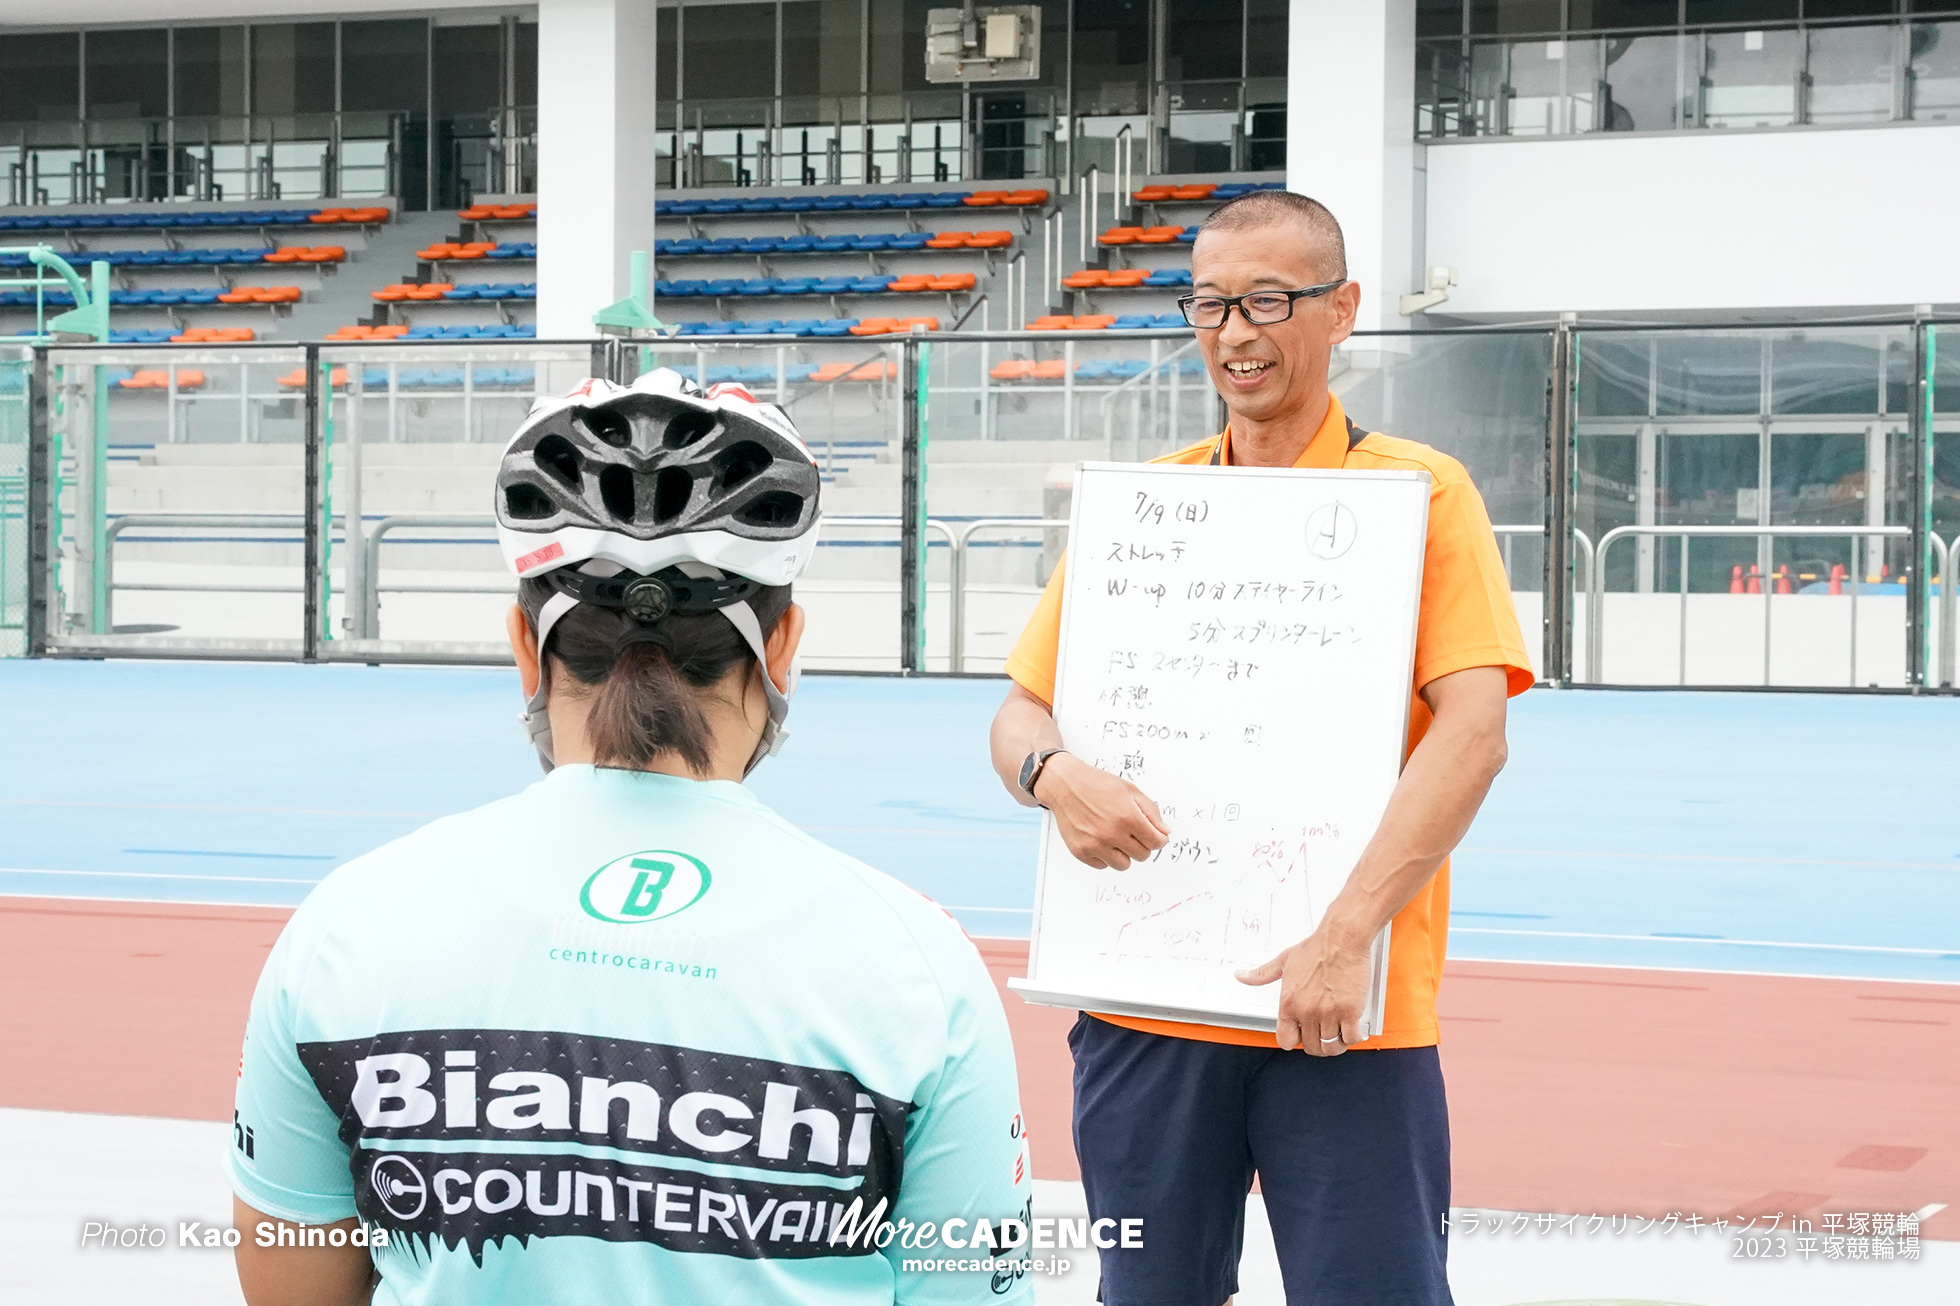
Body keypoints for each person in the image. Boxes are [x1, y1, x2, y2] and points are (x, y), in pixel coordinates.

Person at [229, 370, 1034, 1306]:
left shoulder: (347, 926)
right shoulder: (915, 964)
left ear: (528, 649)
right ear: (780, 650)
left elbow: (292, 1288)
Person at [988, 191, 1533, 1305]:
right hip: (1142, 1003)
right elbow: (1016, 717)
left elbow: (1473, 734)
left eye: (1268, 301)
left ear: (1341, 312)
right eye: (1209, 304)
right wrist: (1053, 776)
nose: (1235, 333)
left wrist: (1342, 935)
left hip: (1341, 1010)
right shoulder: (1150, 504)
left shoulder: (1418, 493)